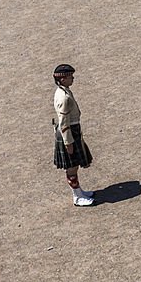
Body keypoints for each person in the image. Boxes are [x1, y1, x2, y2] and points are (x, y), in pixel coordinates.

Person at [52, 64, 95, 206]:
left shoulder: (64, 91)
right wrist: (68, 142)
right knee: (72, 166)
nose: (73, 78)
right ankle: (77, 196)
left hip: (72, 130)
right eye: (70, 76)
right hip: (69, 132)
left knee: (74, 165)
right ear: (63, 79)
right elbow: (64, 123)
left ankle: (79, 192)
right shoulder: (63, 97)